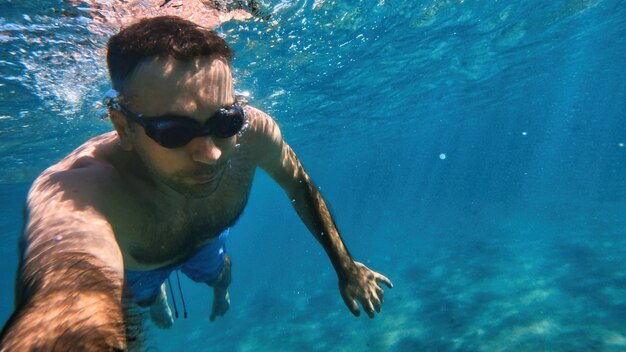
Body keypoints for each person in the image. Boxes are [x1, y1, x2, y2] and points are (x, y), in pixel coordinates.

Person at [0, 16, 392, 351]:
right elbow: (65, 290)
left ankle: (217, 290)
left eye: (224, 123)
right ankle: (156, 299)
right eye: (173, 131)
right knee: (147, 293)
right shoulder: (78, 190)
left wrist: (345, 266)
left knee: (221, 274)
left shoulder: (255, 133)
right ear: (123, 128)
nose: (212, 154)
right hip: (138, 269)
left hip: (206, 244)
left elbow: (298, 183)